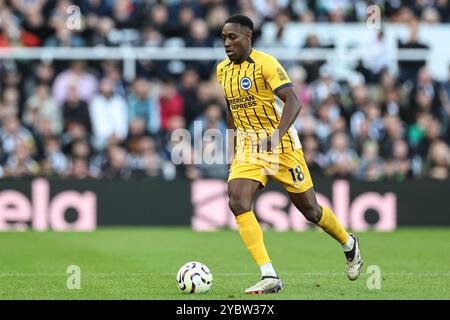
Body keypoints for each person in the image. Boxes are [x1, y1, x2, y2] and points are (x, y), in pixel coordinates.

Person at [217, 14, 363, 294]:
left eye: (232, 37)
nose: (227, 43)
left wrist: (276, 135)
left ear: (248, 37)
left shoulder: (266, 63)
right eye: (223, 37)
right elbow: (231, 109)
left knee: (310, 210)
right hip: (249, 146)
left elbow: (293, 101)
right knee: (237, 200)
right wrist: (233, 147)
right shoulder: (222, 70)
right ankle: (268, 274)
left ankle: (348, 242)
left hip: (281, 145)